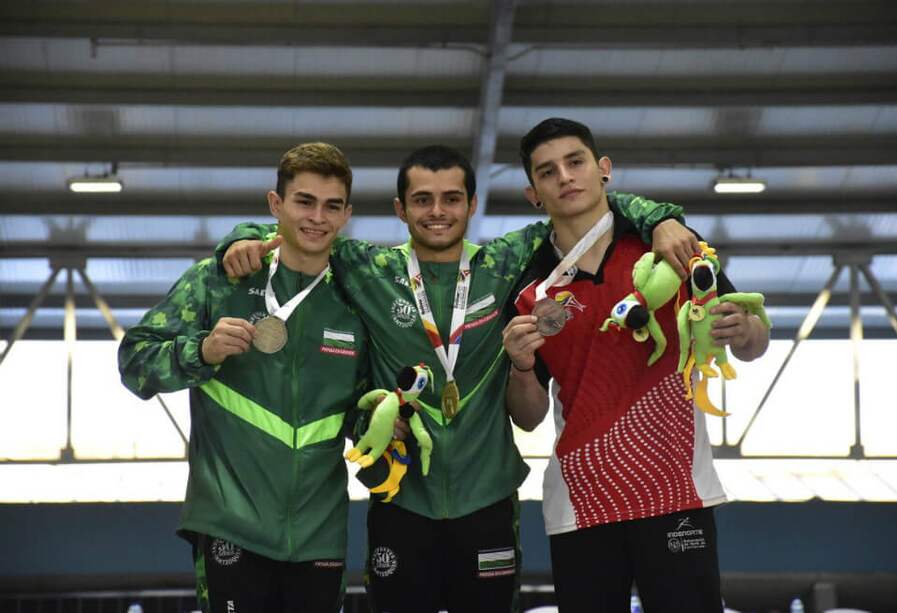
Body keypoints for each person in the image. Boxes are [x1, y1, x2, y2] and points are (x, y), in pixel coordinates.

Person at [217, 144, 696, 612]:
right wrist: (239, 237)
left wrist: (663, 218)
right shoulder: (369, 268)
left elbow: (584, 208)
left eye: (451, 198)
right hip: (401, 503)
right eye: (422, 200)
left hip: (486, 501)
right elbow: (304, 229)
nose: (437, 211)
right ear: (401, 210)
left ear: (471, 204)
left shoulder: (502, 261)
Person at [503, 118, 770, 613]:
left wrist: (746, 330)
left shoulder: (669, 246)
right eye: (548, 171)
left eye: (575, 161)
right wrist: (520, 369)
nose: (565, 176)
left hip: (676, 493)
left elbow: (753, 342)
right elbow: (528, 416)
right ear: (533, 193)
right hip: (579, 503)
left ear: (603, 169)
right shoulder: (529, 290)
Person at [118, 143, 368, 613]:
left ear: (346, 214)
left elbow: (357, 405)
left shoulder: (356, 296)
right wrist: (200, 351)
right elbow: (134, 363)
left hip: (320, 531)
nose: (317, 218)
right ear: (276, 205)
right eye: (304, 201)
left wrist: (375, 416)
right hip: (230, 522)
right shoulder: (218, 281)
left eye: (332, 206)